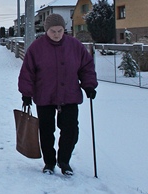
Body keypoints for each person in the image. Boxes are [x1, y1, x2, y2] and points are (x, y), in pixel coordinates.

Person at [18, 13, 98, 176]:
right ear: (46, 30)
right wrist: (26, 93)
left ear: (64, 30)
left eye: (60, 31)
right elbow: (27, 71)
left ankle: (64, 161)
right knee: (46, 131)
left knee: (71, 130)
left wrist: (89, 85)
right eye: (53, 31)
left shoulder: (75, 46)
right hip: (44, 95)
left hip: (69, 95)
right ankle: (49, 162)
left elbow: (86, 67)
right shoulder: (36, 47)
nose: (56, 34)